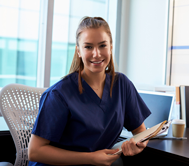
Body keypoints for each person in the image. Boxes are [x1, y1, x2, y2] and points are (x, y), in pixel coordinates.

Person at [28, 16, 151, 166]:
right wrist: (91, 158)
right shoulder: (59, 94)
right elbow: (35, 151)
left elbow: (141, 132)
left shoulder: (122, 85)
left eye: (102, 46)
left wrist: (138, 146)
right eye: (88, 47)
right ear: (78, 51)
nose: (96, 54)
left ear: (111, 47)